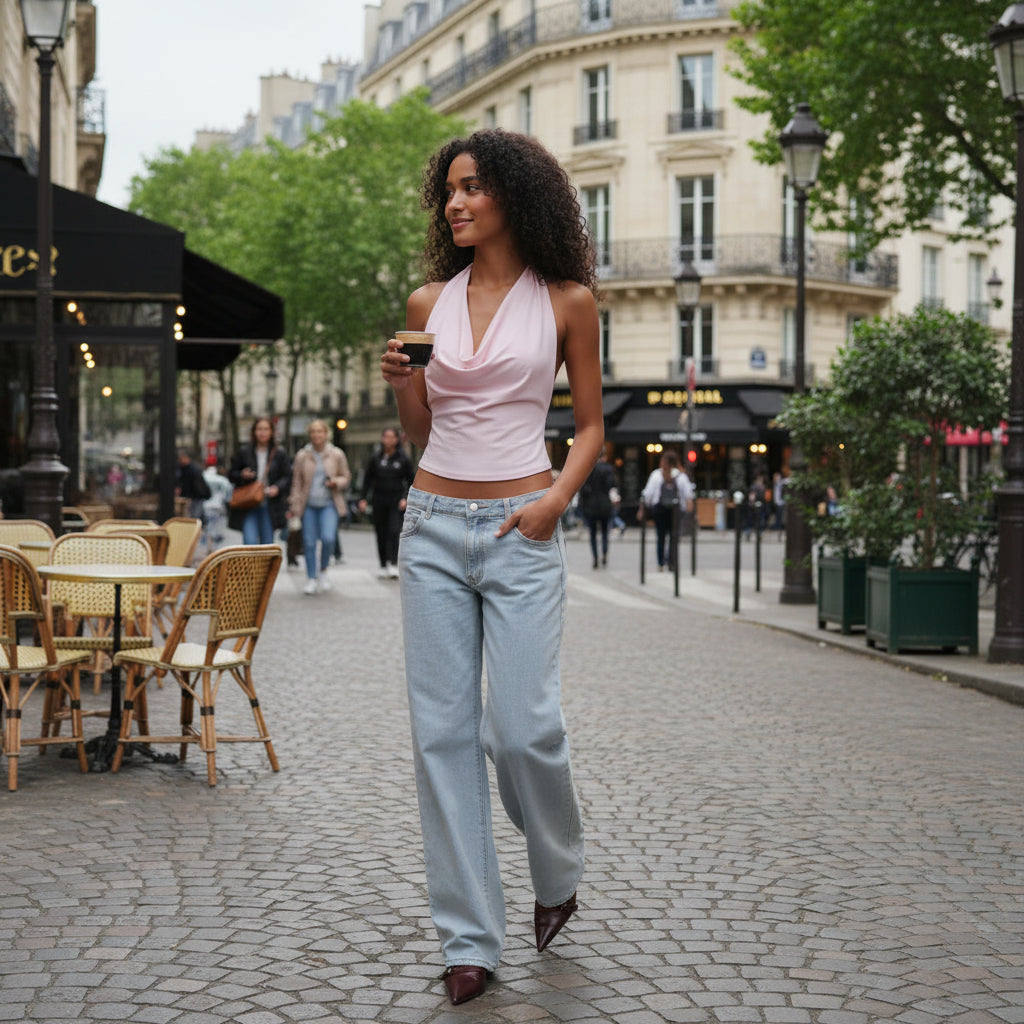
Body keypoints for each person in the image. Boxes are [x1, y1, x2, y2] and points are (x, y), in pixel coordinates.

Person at [380, 128, 602, 1006]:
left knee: (524, 729)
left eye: (473, 187)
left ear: (516, 193)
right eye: (449, 190)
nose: (457, 202)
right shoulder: (428, 299)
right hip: (432, 525)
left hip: (524, 527)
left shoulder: (568, 302)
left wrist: (556, 501)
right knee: (442, 738)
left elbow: (588, 427)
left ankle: (557, 871)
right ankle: (469, 938)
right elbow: (423, 433)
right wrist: (402, 381)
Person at [288, 419, 351, 595]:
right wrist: (294, 503)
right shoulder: (302, 455)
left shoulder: (336, 454)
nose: (316, 435)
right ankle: (311, 578)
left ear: (326, 434)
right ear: (310, 435)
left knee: (328, 538)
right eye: (313, 432)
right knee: (309, 542)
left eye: (320, 431)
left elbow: (346, 477)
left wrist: (336, 482)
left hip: (329, 504)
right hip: (308, 505)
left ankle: (323, 570)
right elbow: (296, 481)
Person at [356, 427, 414, 579]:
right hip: (378, 500)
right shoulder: (375, 458)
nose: (388, 440)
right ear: (382, 439)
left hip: (396, 501)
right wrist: (362, 498)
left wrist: (405, 497)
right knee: (380, 532)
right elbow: (367, 480)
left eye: (391, 437)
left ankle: (394, 563)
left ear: (396, 439)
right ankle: (382, 564)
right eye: (386, 437)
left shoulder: (402, 458)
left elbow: (411, 480)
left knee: (394, 531)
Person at [227, 417, 291, 545]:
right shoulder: (244, 452)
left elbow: (287, 476)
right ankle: (251, 566)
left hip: (270, 503)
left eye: (266, 429)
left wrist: (277, 487)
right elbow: (231, 474)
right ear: (254, 432)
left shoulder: (279, 453)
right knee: (249, 542)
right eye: (259, 429)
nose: (262, 432)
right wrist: (242, 474)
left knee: (267, 544)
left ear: (272, 432)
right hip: (248, 502)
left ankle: (264, 566)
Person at [638, 451, 694, 571]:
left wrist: (642, 509)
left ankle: (661, 562)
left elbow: (647, 494)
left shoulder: (656, 475)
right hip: (676, 510)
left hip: (659, 509)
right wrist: (689, 511)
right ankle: (671, 562)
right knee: (674, 537)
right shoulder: (681, 476)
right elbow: (688, 495)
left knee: (660, 536)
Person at [577, 450, 617, 568]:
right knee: (605, 532)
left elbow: (583, 489)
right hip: (605, 504)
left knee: (593, 533)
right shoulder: (608, 469)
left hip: (591, 505)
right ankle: (604, 554)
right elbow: (612, 484)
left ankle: (595, 557)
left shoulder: (589, 469)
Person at [175, 449, 211, 522]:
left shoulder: (193, 469)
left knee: (195, 516)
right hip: (191, 496)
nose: (180, 461)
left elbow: (198, 484)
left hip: (196, 496)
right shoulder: (182, 468)